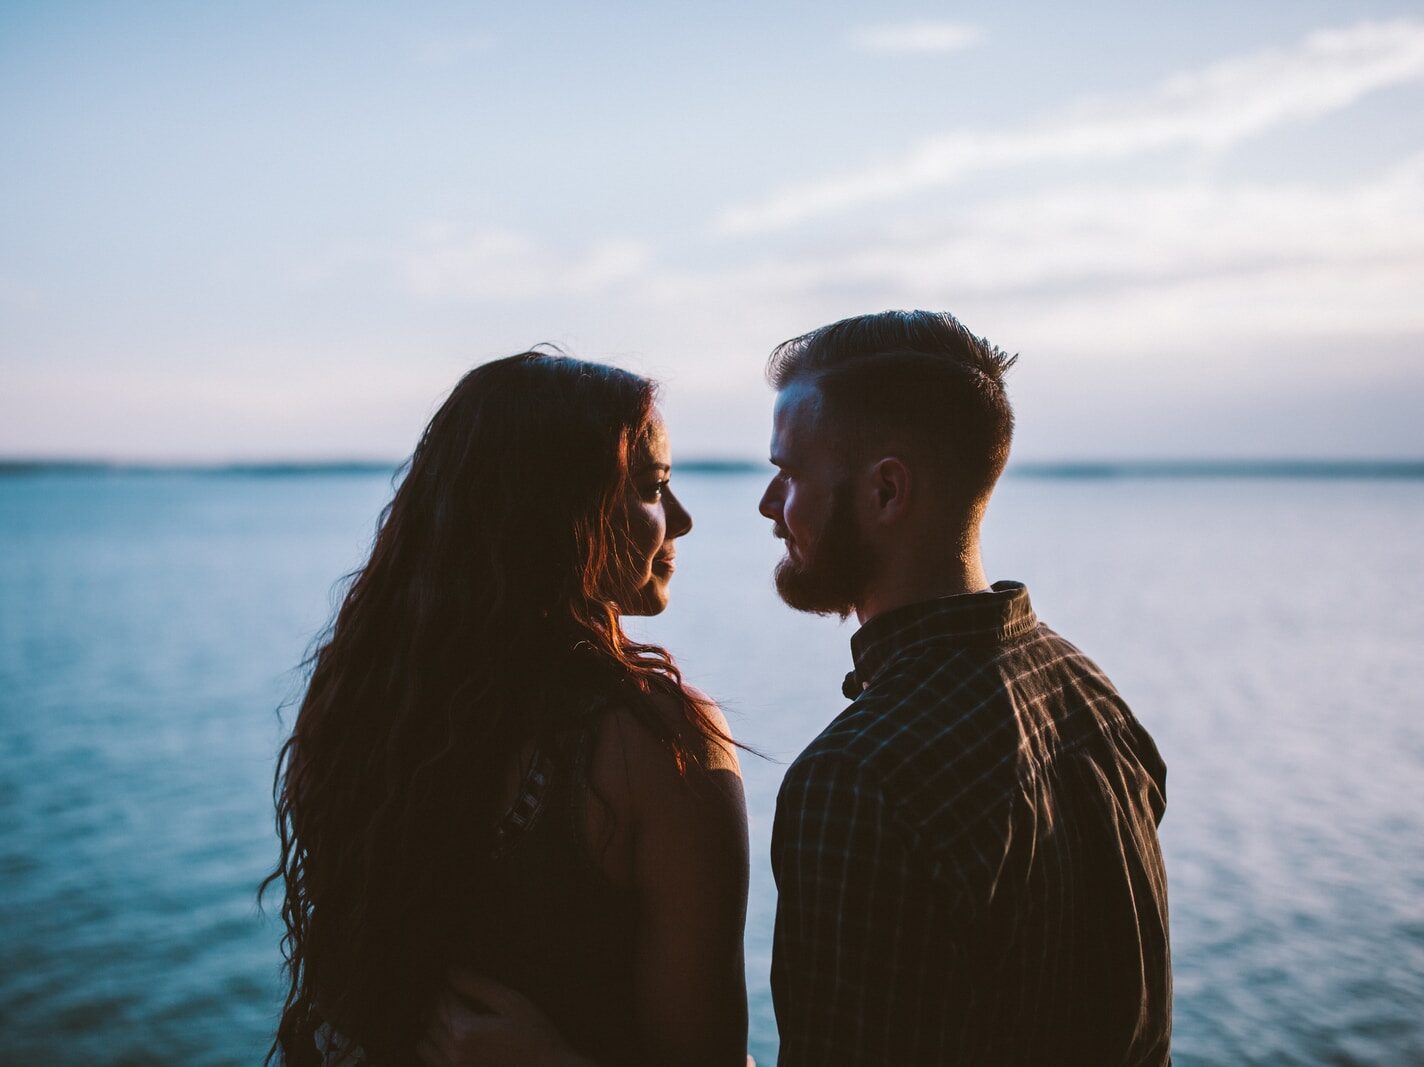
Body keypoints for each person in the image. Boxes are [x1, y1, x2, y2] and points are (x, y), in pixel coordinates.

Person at [263, 351, 750, 1066]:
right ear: (564, 514)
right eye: (653, 488)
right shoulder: (663, 745)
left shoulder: (359, 705)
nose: (681, 519)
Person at [759, 310, 1171, 1064]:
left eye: (788, 474)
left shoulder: (857, 778)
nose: (767, 505)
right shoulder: (1093, 695)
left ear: (887, 492)